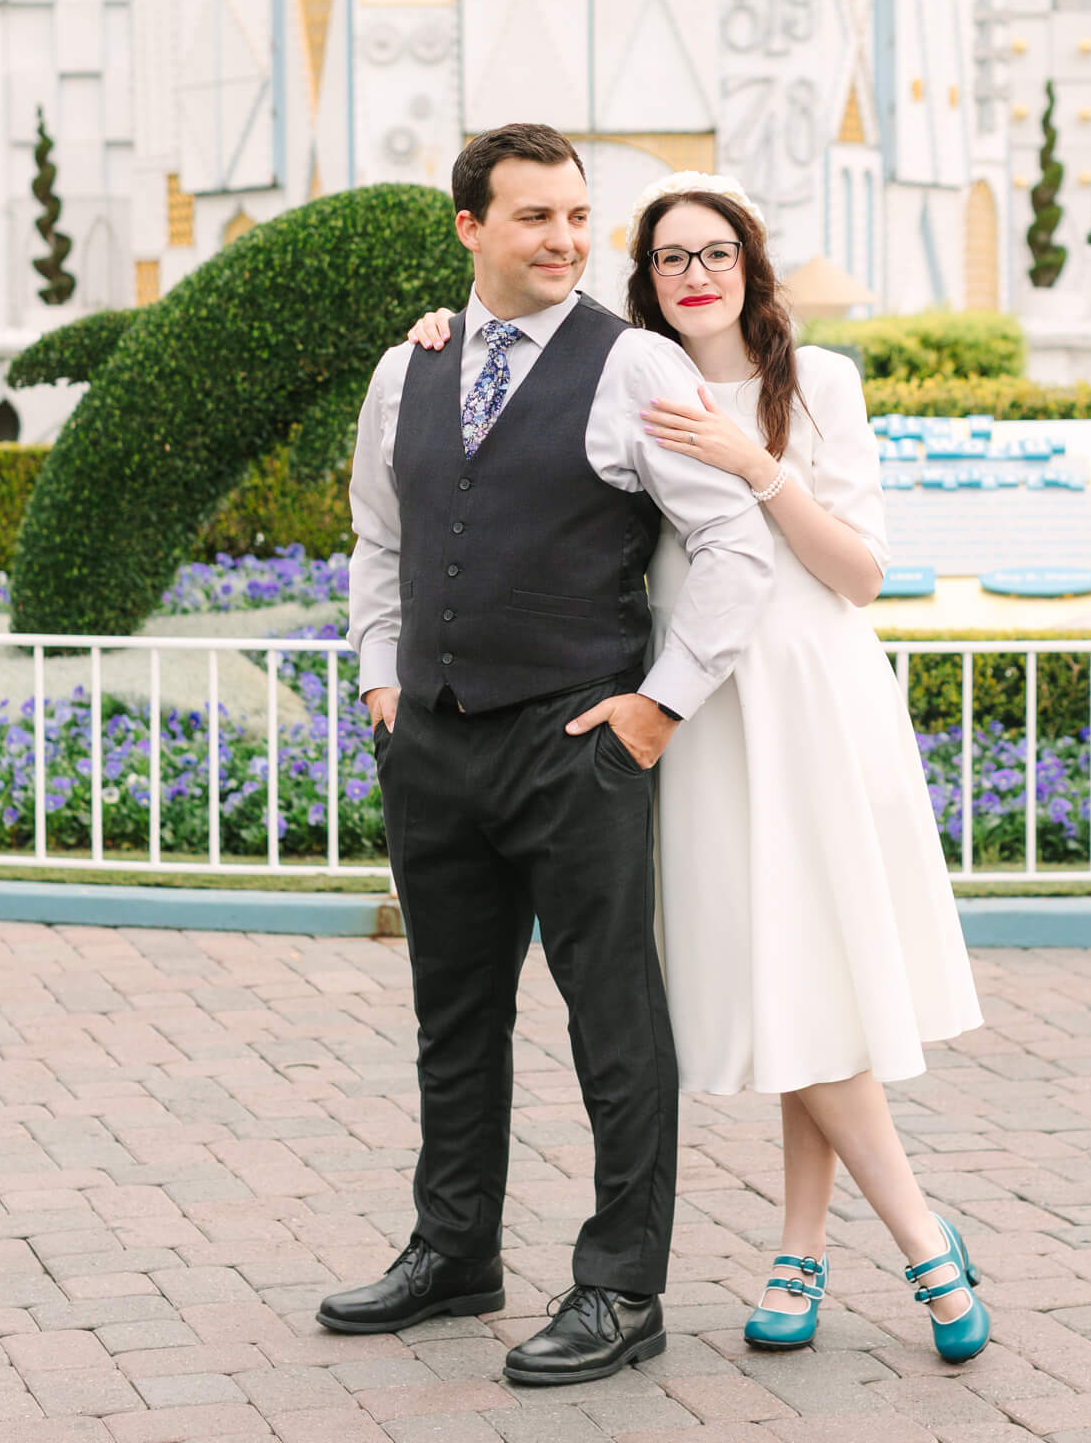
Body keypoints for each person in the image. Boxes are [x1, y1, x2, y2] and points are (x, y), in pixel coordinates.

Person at [405, 169, 990, 1364]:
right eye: (670, 257)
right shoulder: (635, 373)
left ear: (750, 262)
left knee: (811, 973)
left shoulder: (817, 382)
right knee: (788, 977)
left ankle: (913, 1241)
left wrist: (756, 462)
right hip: (697, 713)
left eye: (716, 251)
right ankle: (802, 1248)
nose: (696, 274)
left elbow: (859, 573)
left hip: (804, 703)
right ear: (648, 279)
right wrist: (446, 332)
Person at [318, 128, 774, 1388]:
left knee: (614, 1025)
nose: (567, 238)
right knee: (453, 1014)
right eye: (536, 216)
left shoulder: (632, 363)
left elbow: (736, 542)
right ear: (471, 225)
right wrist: (380, 676)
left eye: (579, 215)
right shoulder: (406, 367)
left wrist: (658, 708)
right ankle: (454, 1250)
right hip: (432, 739)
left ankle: (623, 1285)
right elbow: (377, 535)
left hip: (575, 744)